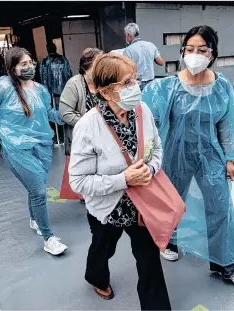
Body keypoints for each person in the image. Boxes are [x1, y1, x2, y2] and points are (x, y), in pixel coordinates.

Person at [141, 25, 234, 286]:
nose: (194, 54)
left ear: (212, 53)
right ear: (182, 52)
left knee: (220, 206)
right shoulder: (166, 87)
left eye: (201, 49)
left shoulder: (222, 87)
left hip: (210, 155)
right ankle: (169, 241)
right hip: (174, 154)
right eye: (189, 49)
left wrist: (230, 157)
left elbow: (228, 125)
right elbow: (147, 121)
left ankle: (225, 262)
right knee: (172, 202)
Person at [69, 53, 171, 310]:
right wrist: (123, 179)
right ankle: (96, 276)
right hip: (107, 207)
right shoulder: (88, 126)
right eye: (126, 83)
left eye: (135, 80)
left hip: (142, 204)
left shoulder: (142, 110)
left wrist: (150, 168)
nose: (135, 87)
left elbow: (157, 147)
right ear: (105, 91)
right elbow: (78, 182)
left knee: (149, 261)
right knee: (103, 248)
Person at [0, 47, 68, 255]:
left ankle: (34, 219)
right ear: (12, 67)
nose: (29, 67)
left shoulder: (40, 89)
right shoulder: (2, 88)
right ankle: (49, 238)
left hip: (41, 145)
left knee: (36, 187)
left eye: (30, 62)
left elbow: (46, 112)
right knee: (39, 192)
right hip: (15, 147)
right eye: (23, 64)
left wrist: (66, 116)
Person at [59, 47, 103, 204]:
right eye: (98, 64)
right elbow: (65, 113)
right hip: (82, 136)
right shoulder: (74, 84)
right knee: (85, 166)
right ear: (86, 67)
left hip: (102, 134)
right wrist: (87, 123)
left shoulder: (101, 82)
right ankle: (86, 195)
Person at [39, 42, 73, 143]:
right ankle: (63, 135)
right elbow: (69, 73)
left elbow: (43, 76)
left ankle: (56, 136)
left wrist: (45, 90)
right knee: (63, 111)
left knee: (52, 113)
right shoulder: (63, 59)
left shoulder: (45, 61)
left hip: (51, 91)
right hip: (63, 90)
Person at [123, 23, 164, 91]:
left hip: (137, 85)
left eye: (125, 36)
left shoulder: (128, 50)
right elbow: (161, 62)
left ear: (128, 35)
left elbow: (126, 71)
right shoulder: (150, 45)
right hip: (151, 83)